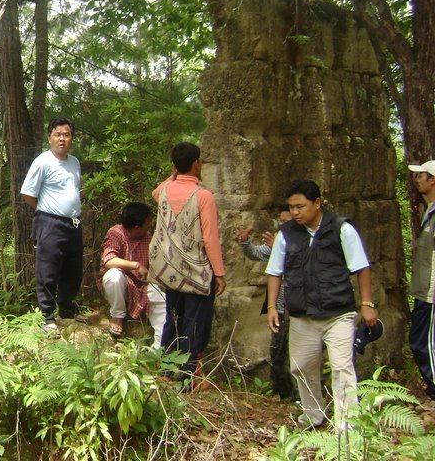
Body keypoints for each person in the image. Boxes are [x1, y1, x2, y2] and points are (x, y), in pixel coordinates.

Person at [265, 180, 378, 429]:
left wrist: (367, 303)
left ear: (317, 203)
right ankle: (314, 415)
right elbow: (274, 271)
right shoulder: (286, 234)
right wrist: (273, 307)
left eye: (300, 206)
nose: (295, 212)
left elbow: (361, 267)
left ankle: (347, 425)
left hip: (338, 313)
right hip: (301, 315)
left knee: (341, 367)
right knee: (301, 367)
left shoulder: (341, 229)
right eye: (291, 207)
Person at [150, 142, 226, 379]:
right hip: (196, 271)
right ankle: (186, 375)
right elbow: (210, 239)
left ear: (174, 166)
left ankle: (166, 370)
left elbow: (156, 191)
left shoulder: (164, 191)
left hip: (170, 271)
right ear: (196, 163)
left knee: (172, 319)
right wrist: (219, 273)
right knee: (194, 324)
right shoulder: (203, 196)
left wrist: (173, 176)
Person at [21, 117, 83, 333]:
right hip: (49, 222)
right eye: (58, 134)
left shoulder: (74, 162)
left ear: (72, 138)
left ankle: (67, 308)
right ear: (50, 138)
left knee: (73, 269)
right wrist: (44, 211)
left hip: (73, 223)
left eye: (66, 134)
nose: (62, 139)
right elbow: (28, 193)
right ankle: (47, 316)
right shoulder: (43, 161)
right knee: (47, 270)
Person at [235, 208, 296, 399]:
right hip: (279, 308)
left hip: (300, 308)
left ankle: (300, 395)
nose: (282, 224)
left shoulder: (304, 241)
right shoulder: (278, 240)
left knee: (298, 354)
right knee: (277, 352)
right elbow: (256, 253)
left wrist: (280, 251)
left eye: (287, 221)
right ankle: (282, 392)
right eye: (281, 220)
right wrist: (245, 242)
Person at [99, 202, 166, 347]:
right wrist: (135, 265)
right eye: (147, 223)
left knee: (162, 299)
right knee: (114, 276)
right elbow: (109, 260)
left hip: (140, 286)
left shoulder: (147, 237)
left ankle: (159, 347)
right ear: (137, 227)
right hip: (121, 284)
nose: (150, 225)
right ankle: (117, 316)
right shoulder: (116, 233)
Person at [407, 160, 435, 402]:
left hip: (431, 292)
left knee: (422, 342)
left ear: (432, 180)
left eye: (421, 176)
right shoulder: (429, 210)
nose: (417, 180)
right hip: (423, 289)